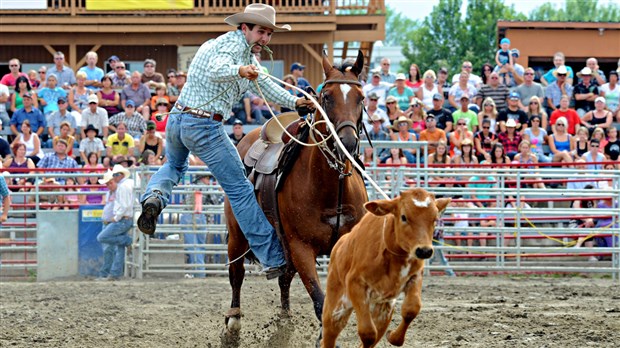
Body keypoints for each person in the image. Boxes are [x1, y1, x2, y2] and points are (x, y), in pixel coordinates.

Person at [137, 4, 314, 279]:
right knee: (240, 190)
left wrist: (295, 101)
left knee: (174, 165)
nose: (265, 39)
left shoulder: (238, 52)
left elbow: (267, 86)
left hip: (178, 120)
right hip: (204, 125)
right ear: (244, 28)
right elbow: (218, 69)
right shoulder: (231, 47)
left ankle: (154, 198)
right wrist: (241, 70)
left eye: (268, 33)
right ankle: (273, 257)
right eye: (261, 32)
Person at [96, 165, 135, 280]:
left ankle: (128, 241)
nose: (108, 185)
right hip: (117, 220)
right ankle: (114, 273)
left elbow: (124, 205)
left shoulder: (122, 188)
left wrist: (116, 217)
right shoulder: (118, 189)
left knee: (103, 239)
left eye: (115, 176)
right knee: (117, 247)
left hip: (120, 220)